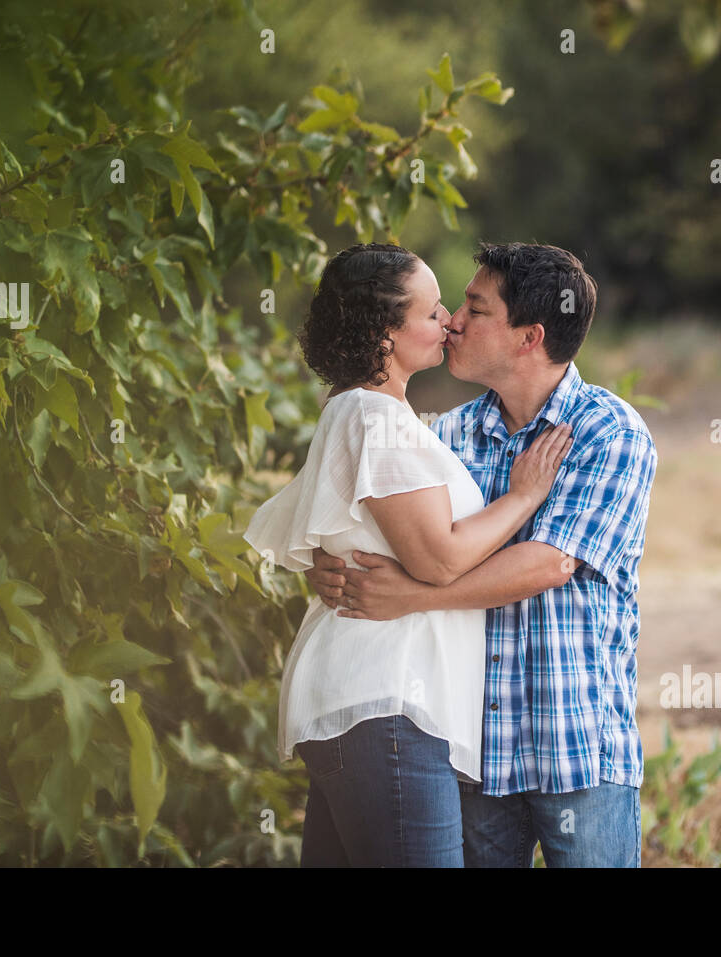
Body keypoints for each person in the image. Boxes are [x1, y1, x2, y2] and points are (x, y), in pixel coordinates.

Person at [306, 242, 658, 867]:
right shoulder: (447, 434)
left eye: (475, 307)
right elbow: (388, 529)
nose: (455, 321)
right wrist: (335, 564)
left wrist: (408, 596)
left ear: (529, 337)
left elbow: (549, 564)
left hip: (573, 744)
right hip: (476, 752)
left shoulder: (611, 432)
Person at [242, 242, 572, 867]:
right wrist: (523, 497)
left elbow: (301, 525)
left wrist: (331, 561)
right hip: (388, 708)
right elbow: (439, 561)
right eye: (431, 313)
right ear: (383, 334)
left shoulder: (372, 415)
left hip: (367, 707)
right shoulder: (377, 418)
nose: (449, 321)